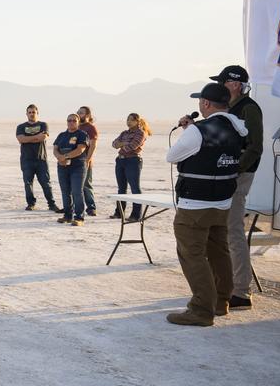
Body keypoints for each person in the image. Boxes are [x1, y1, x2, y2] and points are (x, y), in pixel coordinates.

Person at [165, 84, 248, 326]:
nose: (199, 105)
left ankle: (202, 309)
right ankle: (221, 301)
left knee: (192, 254)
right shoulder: (238, 128)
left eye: (200, 101)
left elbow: (172, 156)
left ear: (206, 104)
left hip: (195, 201)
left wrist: (188, 131)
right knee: (218, 250)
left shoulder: (198, 130)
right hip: (222, 200)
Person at [213, 64, 264, 310]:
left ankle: (241, 291)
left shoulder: (249, 109)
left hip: (238, 176)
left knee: (233, 230)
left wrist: (235, 169)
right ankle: (227, 285)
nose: (220, 88)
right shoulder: (232, 108)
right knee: (224, 230)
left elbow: (255, 146)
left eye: (222, 83)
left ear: (233, 84)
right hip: (228, 175)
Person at [16, 105, 59, 212]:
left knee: (46, 183)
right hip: (26, 160)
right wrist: (36, 137)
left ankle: (51, 204)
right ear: (26, 114)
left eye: (33, 112)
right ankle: (31, 204)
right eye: (29, 112)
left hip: (41, 160)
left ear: (37, 113)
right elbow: (21, 139)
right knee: (28, 183)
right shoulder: (21, 126)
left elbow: (43, 137)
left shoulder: (43, 125)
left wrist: (28, 139)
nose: (31, 114)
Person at [110, 113, 150, 221]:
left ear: (137, 121)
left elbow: (132, 147)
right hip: (121, 160)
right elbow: (114, 144)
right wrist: (124, 143)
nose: (129, 122)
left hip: (132, 161)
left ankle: (136, 215)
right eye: (128, 119)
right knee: (121, 188)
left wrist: (121, 144)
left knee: (135, 188)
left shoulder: (140, 133)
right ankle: (119, 212)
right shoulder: (124, 133)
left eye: (132, 120)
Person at [53, 114, 89, 226]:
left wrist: (66, 156)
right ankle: (67, 216)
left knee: (77, 192)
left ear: (78, 122)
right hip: (62, 166)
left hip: (77, 167)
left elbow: (80, 149)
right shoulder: (62, 135)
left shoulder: (82, 134)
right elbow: (55, 149)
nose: (71, 122)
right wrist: (59, 157)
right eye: (69, 120)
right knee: (65, 192)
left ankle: (79, 217)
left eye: (74, 120)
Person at [76, 105, 99, 217]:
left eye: (82, 112)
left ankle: (91, 207)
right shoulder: (76, 127)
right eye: (78, 112)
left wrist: (88, 159)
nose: (79, 114)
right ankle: (72, 207)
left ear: (87, 115)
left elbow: (93, 145)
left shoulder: (90, 127)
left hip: (85, 160)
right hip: (74, 160)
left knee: (86, 184)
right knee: (74, 185)